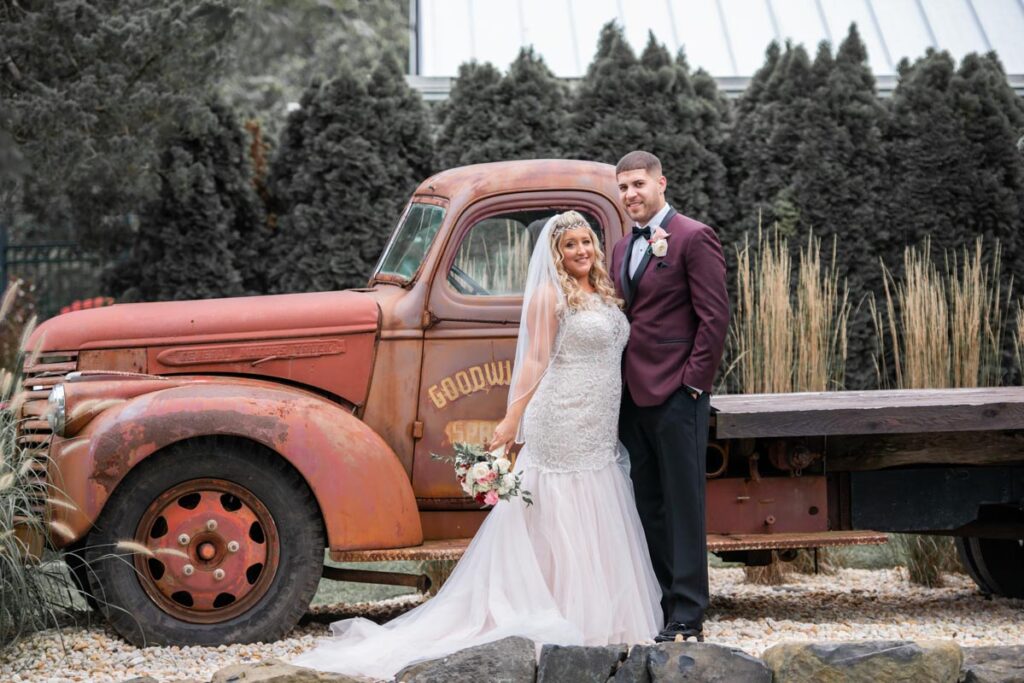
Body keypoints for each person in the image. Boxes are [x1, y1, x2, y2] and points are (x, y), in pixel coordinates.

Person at [293, 211, 660, 680]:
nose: (581, 251)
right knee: (563, 506)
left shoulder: (604, 293)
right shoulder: (549, 295)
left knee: (596, 503)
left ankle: (605, 613)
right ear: (556, 254)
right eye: (570, 245)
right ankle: (558, 609)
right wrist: (510, 420)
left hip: (599, 419)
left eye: (586, 242)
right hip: (562, 415)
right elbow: (534, 362)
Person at [610, 150, 729, 643]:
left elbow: (714, 317)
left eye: (638, 184)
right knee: (649, 505)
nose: (630, 194)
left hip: (678, 395)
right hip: (630, 398)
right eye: (623, 187)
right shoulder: (621, 247)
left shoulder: (694, 237)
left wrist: (693, 384)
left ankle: (688, 612)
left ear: (661, 183)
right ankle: (660, 603)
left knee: (683, 505)